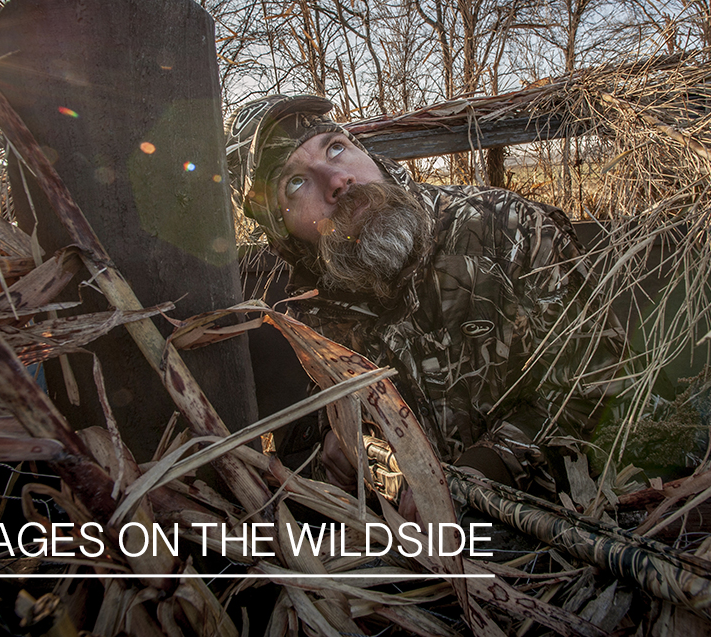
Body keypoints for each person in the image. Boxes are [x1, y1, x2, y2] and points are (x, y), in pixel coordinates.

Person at [229, 94, 629, 495]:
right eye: (295, 183)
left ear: (362, 150)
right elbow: (340, 421)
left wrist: (479, 478)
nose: (337, 181)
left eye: (337, 148)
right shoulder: (312, 307)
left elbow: (599, 377)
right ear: (279, 228)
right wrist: (340, 444)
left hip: (568, 519)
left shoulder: (509, 229)